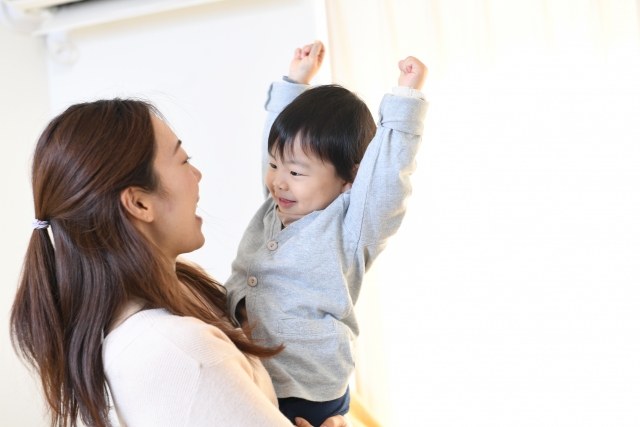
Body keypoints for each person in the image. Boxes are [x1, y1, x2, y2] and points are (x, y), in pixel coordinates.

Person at [10, 98, 347, 426]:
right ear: (140, 204)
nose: (197, 174)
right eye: (184, 161)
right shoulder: (185, 354)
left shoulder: (160, 316)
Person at [225, 41, 429, 426]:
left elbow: (386, 178)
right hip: (260, 375)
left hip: (306, 394)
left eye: (296, 173)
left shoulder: (352, 227)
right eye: (273, 165)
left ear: (349, 179)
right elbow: (281, 144)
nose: (278, 182)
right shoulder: (277, 205)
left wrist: (405, 100)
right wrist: (294, 83)